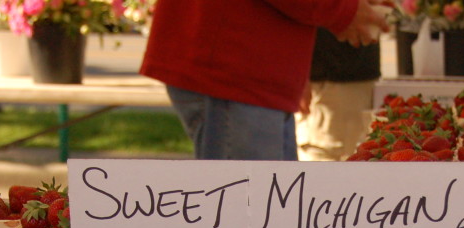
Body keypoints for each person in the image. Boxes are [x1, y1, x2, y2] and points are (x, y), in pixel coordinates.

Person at [139, 0, 390, 161]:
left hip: (249, 72)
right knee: (245, 223)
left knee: (264, 220)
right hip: (233, 70)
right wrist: (342, 11)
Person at [297, 28, 382, 161]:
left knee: (358, 154)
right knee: (325, 157)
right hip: (328, 79)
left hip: (358, 74)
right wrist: (300, 73)